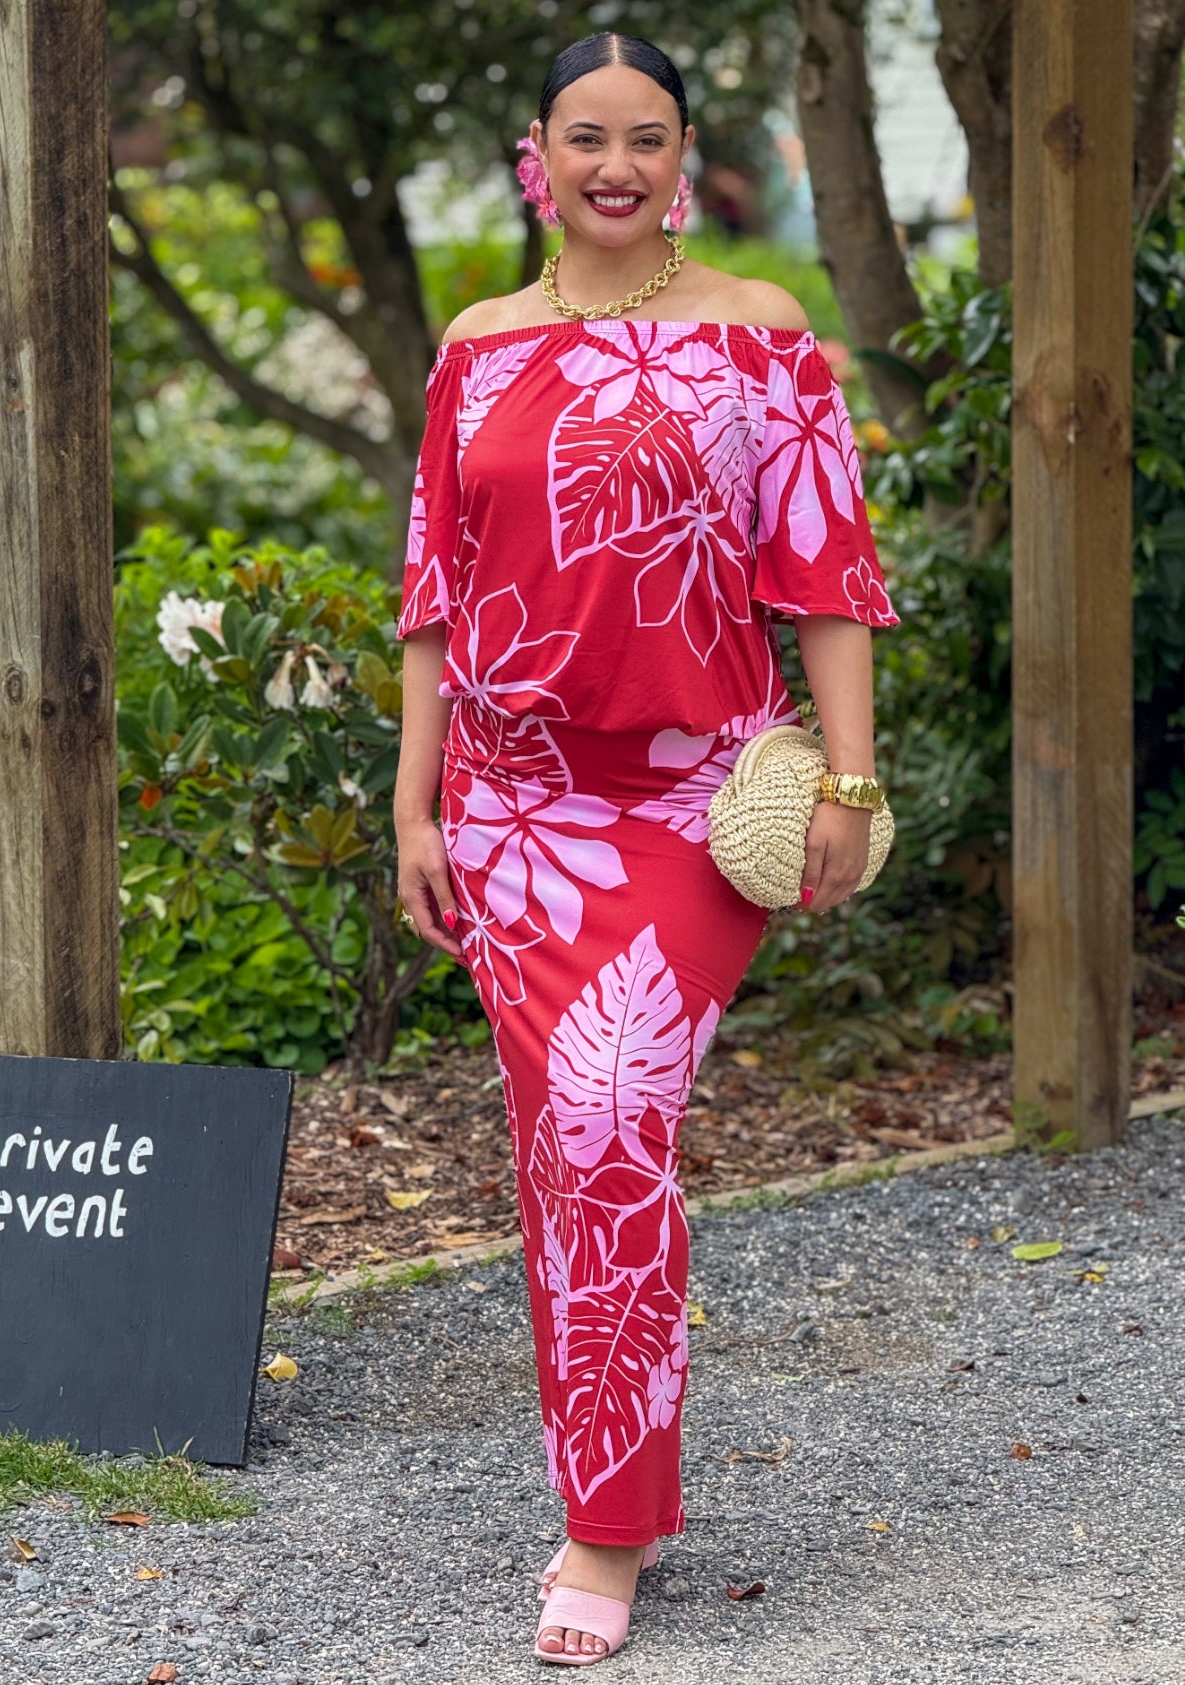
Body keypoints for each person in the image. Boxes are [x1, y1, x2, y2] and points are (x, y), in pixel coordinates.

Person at [393, 30, 900, 1667]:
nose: (619, 163)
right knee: (568, 1151)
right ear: (538, 153)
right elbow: (433, 597)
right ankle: (610, 1502)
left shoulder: (763, 342)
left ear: (685, 157)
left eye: (651, 136)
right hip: (511, 803)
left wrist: (850, 779)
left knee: (610, 1110)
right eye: (586, 135)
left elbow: (823, 575)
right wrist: (412, 806)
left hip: (690, 802)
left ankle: (604, 1531)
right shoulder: (473, 348)